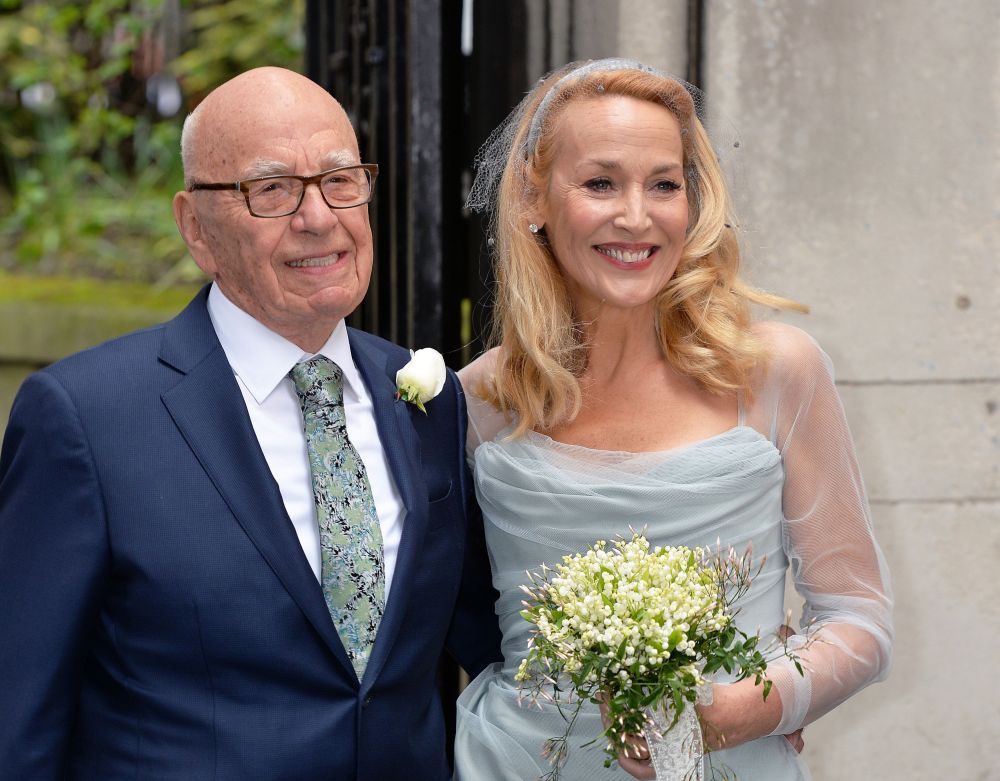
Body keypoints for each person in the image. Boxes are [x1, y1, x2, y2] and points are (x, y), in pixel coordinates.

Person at [0, 67, 500, 780]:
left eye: (340, 179)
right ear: (194, 226)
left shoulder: (427, 400)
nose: (319, 216)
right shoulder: (84, 418)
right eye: (271, 191)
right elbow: (18, 722)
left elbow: (489, 637)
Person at [453, 58, 893, 780]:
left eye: (664, 183)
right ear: (534, 195)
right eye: (600, 183)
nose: (637, 215)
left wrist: (755, 705)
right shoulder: (479, 401)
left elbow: (860, 618)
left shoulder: (777, 370)